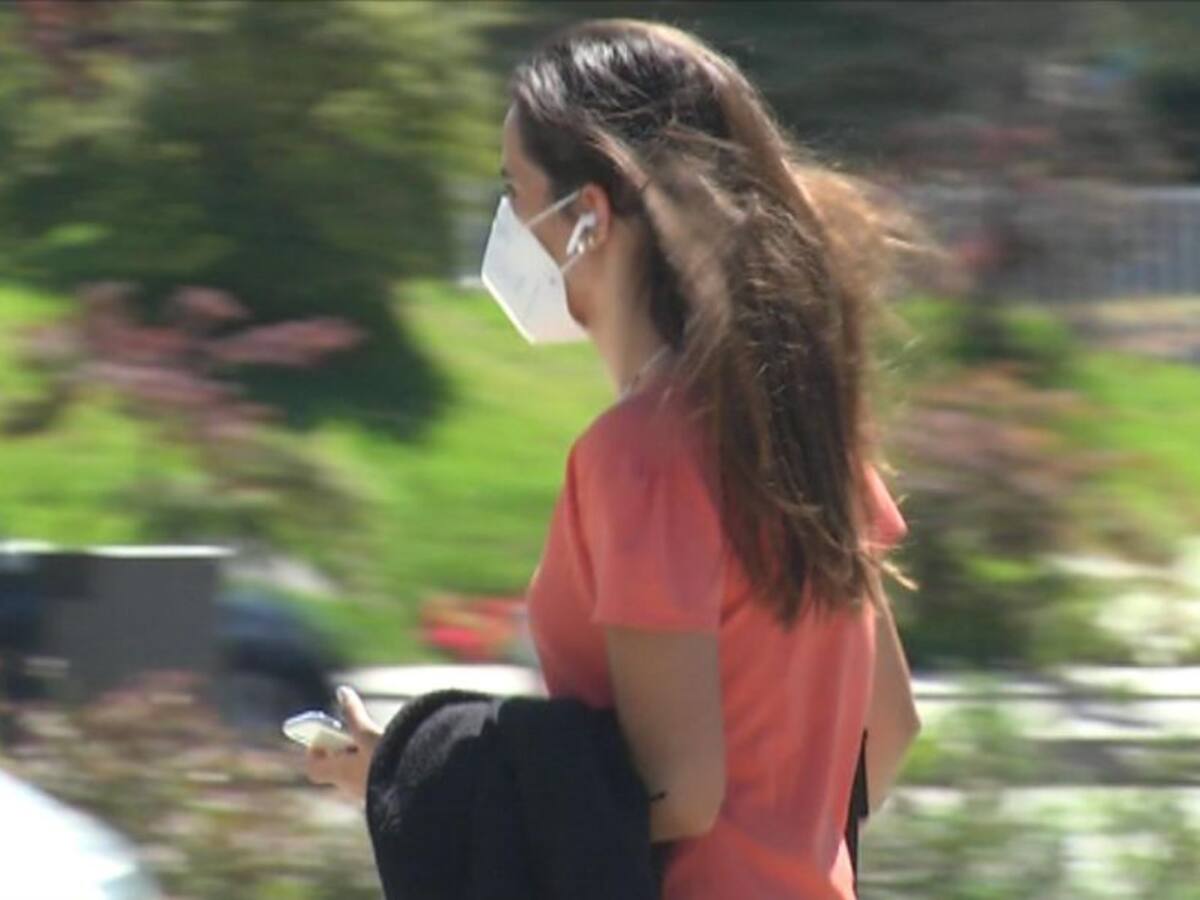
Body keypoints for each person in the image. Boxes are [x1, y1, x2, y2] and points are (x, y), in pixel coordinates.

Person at [308, 18, 922, 899]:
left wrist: (410, 774)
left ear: (589, 216)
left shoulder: (638, 456)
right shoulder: (799, 427)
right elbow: (889, 731)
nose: (506, 225)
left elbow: (674, 788)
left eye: (515, 189)